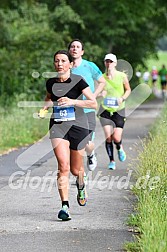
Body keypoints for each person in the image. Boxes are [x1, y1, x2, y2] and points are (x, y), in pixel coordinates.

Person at [39, 50, 97, 221]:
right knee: (63, 166)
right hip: (58, 126)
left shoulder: (79, 81)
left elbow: (93, 103)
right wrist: (44, 109)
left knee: (75, 169)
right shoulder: (50, 82)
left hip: (79, 126)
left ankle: (81, 186)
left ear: (70, 64)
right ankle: (65, 205)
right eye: (57, 61)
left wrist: (73, 101)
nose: (60, 64)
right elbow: (49, 97)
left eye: (63, 60)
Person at [68, 39, 106, 171]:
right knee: (73, 144)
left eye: (78, 47)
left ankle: (91, 154)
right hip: (71, 110)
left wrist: (93, 96)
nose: (74, 48)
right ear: (69, 50)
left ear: (82, 51)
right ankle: (79, 172)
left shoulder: (89, 66)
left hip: (88, 109)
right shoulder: (65, 67)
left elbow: (102, 82)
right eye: (72, 46)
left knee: (87, 143)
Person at [97, 53, 131, 170]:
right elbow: (95, 94)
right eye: (107, 61)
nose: (109, 63)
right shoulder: (101, 78)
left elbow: (128, 90)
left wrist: (122, 98)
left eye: (111, 61)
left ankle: (119, 147)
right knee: (108, 137)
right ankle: (111, 161)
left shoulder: (122, 76)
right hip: (105, 110)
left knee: (116, 137)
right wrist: (101, 94)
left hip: (119, 110)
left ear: (115, 63)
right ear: (104, 63)